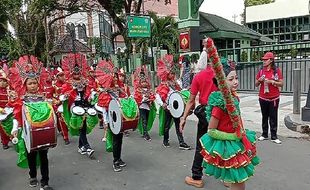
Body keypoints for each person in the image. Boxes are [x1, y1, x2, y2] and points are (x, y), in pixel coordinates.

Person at [200, 57, 260, 190]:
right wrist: (233, 136)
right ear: (221, 82)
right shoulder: (219, 105)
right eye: (231, 79)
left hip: (238, 141)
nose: (235, 82)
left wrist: (242, 135)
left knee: (238, 180)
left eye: (236, 78)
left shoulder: (233, 97)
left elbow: (238, 118)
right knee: (239, 181)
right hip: (228, 147)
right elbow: (211, 130)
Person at [10, 55, 55, 190]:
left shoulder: (43, 98)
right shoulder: (21, 100)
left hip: (43, 132)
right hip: (27, 133)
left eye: (35, 83)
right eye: (30, 83)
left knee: (44, 157)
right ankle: (33, 176)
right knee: (31, 156)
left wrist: (52, 104)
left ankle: (45, 182)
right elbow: (17, 116)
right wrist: (14, 129)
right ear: (25, 85)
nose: (33, 85)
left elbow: (50, 113)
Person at [180, 59, 217, 187]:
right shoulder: (221, 74)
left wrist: (184, 117)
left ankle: (197, 177)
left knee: (201, 145)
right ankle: (228, 178)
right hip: (221, 112)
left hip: (206, 113)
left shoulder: (199, 76)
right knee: (223, 143)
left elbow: (191, 101)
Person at [60, 53, 97, 157]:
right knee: (81, 127)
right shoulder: (68, 83)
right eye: (75, 74)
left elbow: (89, 92)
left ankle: (81, 147)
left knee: (84, 128)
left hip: (85, 105)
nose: (77, 75)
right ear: (71, 73)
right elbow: (63, 95)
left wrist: (91, 95)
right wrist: (69, 95)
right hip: (75, 107)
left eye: (79, 73)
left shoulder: (85, 82)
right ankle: (88, 147)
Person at [95, 60, 128, 172]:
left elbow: (124, 100)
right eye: (113, 76)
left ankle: (119, 158)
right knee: (115, 140)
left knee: (120, 139)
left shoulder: (118, 88)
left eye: (115, 76)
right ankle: (115, 161)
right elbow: (104, 109)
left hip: (120, 117)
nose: (115, 78)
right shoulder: (105, 92)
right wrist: (106, 121)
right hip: (112, 119)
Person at [155, 54, 190, 150]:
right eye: (171, 73)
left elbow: (180, 92)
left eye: (173, 73)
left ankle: (181, 142)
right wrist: (163, 104)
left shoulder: (176, 83)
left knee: (178, 125)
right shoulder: (163, 84)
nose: (173, 75)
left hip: (176, 107)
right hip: (168, 108)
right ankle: (165, 140)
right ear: (167, 74)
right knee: (166, 125)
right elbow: (158, 95)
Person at [255, 52, 283, 144]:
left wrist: (272, 82)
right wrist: (259, 80)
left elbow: (281, 83)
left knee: (273, 117)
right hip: (263, 98)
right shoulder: (261, 71)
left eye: (265, 60)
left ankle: (274, 136)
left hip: (274, 98)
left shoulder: (276, 71)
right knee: (264, 116)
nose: (263, 61)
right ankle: (264, 134)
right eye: (263, 60)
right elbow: (256, 84)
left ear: (271, 60)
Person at [133, 66, 156, 141]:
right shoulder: (138, 90)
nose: (144, 83)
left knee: (147, 119)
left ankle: (144, 132)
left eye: (145, 82)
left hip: (148, 106)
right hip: (142, 106)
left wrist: (150, 99)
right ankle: (146, 134)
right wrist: (143, 99)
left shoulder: (149, 90)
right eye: (142, 82)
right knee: (144, 120)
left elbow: (153, 96)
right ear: (140, 83)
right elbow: (136, 98)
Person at [52, 67, 70, 145]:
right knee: (62, 121)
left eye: (63, 75)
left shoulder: (68, 83)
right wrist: (58, 102)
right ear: (57, 77)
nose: (63, 77)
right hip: (59, 105)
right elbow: (52, 96)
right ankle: (65, 137)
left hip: (67, 104)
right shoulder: (54, 86)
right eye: (61, 75)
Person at [0, 68, 12, 149]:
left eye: (4, 81)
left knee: (11, 126)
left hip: (10, 112)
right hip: (1, 113)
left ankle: (11, 138)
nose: (2, 83)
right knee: (3, 129)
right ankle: (4, 143)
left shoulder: (9, 91)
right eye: (1, 81)